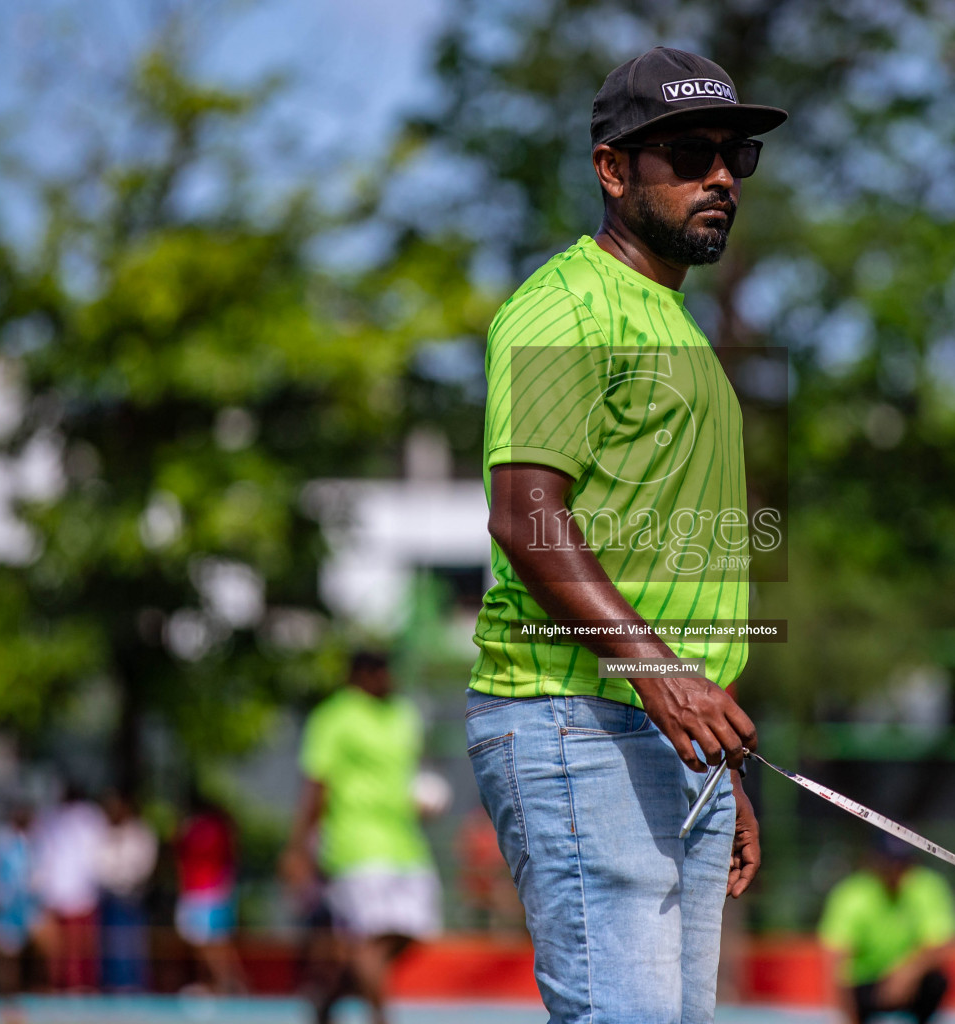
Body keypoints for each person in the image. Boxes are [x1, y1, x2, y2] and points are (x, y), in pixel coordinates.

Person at [464, 45, 786, 1024]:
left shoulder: (678, 327)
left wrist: (716, 755)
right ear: (613, 169)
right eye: (690, 152)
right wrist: (659, 671)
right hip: (575, 719)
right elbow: (526, 515)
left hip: (667, 738)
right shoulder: (561, 308)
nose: (721, 176)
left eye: (736, 157)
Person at [283, 650, 440, 1024]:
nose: (391, 680)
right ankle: (381, 1019)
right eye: (384, 672)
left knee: (412, 932)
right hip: (353, 844)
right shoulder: (333, 717)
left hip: (405, 844)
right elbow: (316, 786)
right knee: (367, 940)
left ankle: (331, 998)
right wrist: (298, 849)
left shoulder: (403, 715)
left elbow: (406, 778)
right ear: (363, 674)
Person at [818, 835, 955, 1024]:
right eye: (890, 862)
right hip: (865, 983)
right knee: (845, 982)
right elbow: (836, 963)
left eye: (904, 863)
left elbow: (942, 943)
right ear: (875, 861)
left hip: (910, 980)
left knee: (937, 981)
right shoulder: (851, 894)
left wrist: (908, 972)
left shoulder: (926, 886)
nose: (897, 869)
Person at [32, 784, 107, 991]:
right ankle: (60, 986)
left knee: (80, 947)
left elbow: (96, 855)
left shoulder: (90, 817)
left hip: (81, 893)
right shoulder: (50, 818)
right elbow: (43, 856)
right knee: (56, 949)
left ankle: (80, 986)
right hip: (58, 893)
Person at [174, 788, 246, 995]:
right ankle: (214, 984)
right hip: (200, 892)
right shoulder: (199, 827)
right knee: (204, 943)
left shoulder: (211, 827)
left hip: (210, 893)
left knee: (214, 944)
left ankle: (229, 983)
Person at [0, 803, 48, 1024]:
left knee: (41, 949)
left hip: (27, 906)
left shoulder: (30, 839)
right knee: (6, 958)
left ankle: (30, 995)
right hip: (4, 907)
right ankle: (6, 1001)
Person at [96, 790, 157, 992]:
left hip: (132, 897)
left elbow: (143, 865)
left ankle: (133, 986)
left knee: (132, 944)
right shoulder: (105, 834)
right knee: (111, 944)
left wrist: (127, 878)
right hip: (111, 896)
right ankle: (114, 985)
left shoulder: (140, 833)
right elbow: (99, 865)